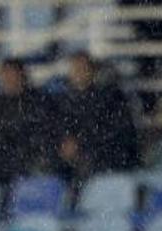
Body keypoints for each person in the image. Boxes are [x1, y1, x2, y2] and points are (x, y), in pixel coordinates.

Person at [56, 52, 141, 183]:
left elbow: (117, 133)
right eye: (74, 69)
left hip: (107, 157)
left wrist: (80, 144)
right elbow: (59, 129)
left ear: (93, 71)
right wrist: (65, 144)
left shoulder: (111, 97)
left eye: (82, 68)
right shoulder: (63, 101)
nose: (78, 73)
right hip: (78, 159)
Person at [0, 59, 56, 193]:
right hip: (6, 162)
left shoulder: (39, 101)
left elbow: (41, 135)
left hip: (32, 160)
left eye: (11, 74)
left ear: (22, 75)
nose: (7, 79)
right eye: (4, 75)